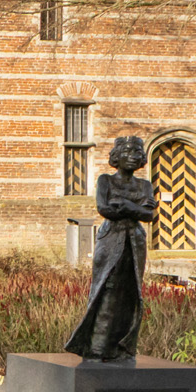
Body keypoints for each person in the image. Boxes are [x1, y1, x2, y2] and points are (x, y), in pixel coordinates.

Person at [63, 136, 155, 362]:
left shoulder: (145, 185)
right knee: (106, 288)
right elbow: (105, 209)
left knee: (131, 293)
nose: (133, 157)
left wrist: (125, 205)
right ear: (117, 156)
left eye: (137, 152)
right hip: (110, 238)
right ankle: (96, 347)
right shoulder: (106, 181)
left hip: (135, 241)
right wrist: (135, 208)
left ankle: (122, 348)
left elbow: (149, 215)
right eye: (128, 152)